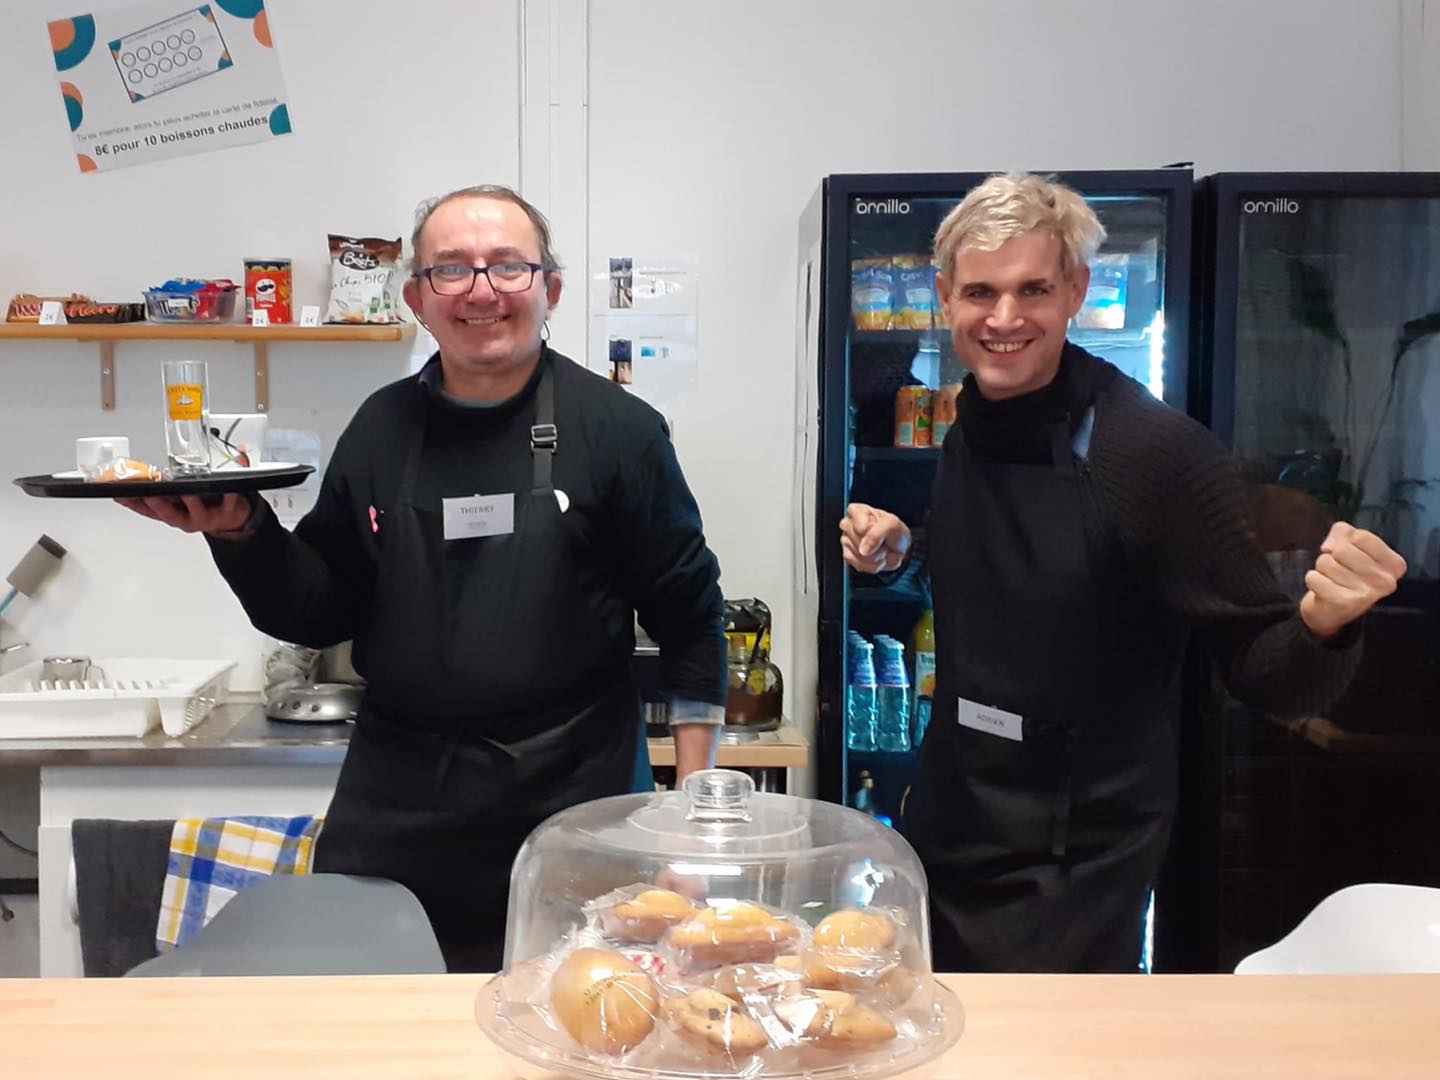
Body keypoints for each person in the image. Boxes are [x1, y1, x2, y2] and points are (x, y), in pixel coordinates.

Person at [122, 185, 727, 971]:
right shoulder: (381, 428)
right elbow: (316, 607)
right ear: (416, 297)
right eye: (451, 269)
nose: (481, 290)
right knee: (378, 1034)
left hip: (577, 805)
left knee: (580, 1023)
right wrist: (242, 530)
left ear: (550, 288)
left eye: (508, 266)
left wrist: (691, 817)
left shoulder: (619, 432)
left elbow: (690, 618)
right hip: (399, 807)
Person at [839, 173, 1407, 973]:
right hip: (952, 815)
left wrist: (1328, 622)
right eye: (981, 292)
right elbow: (1023, 579)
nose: (1004, 319)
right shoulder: (972, 420)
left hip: (1073, 859)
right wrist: (908, 549)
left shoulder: (1156, 457)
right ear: (944, 296)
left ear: (1077, 290)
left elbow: (1270, 676)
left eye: (1033, 289)